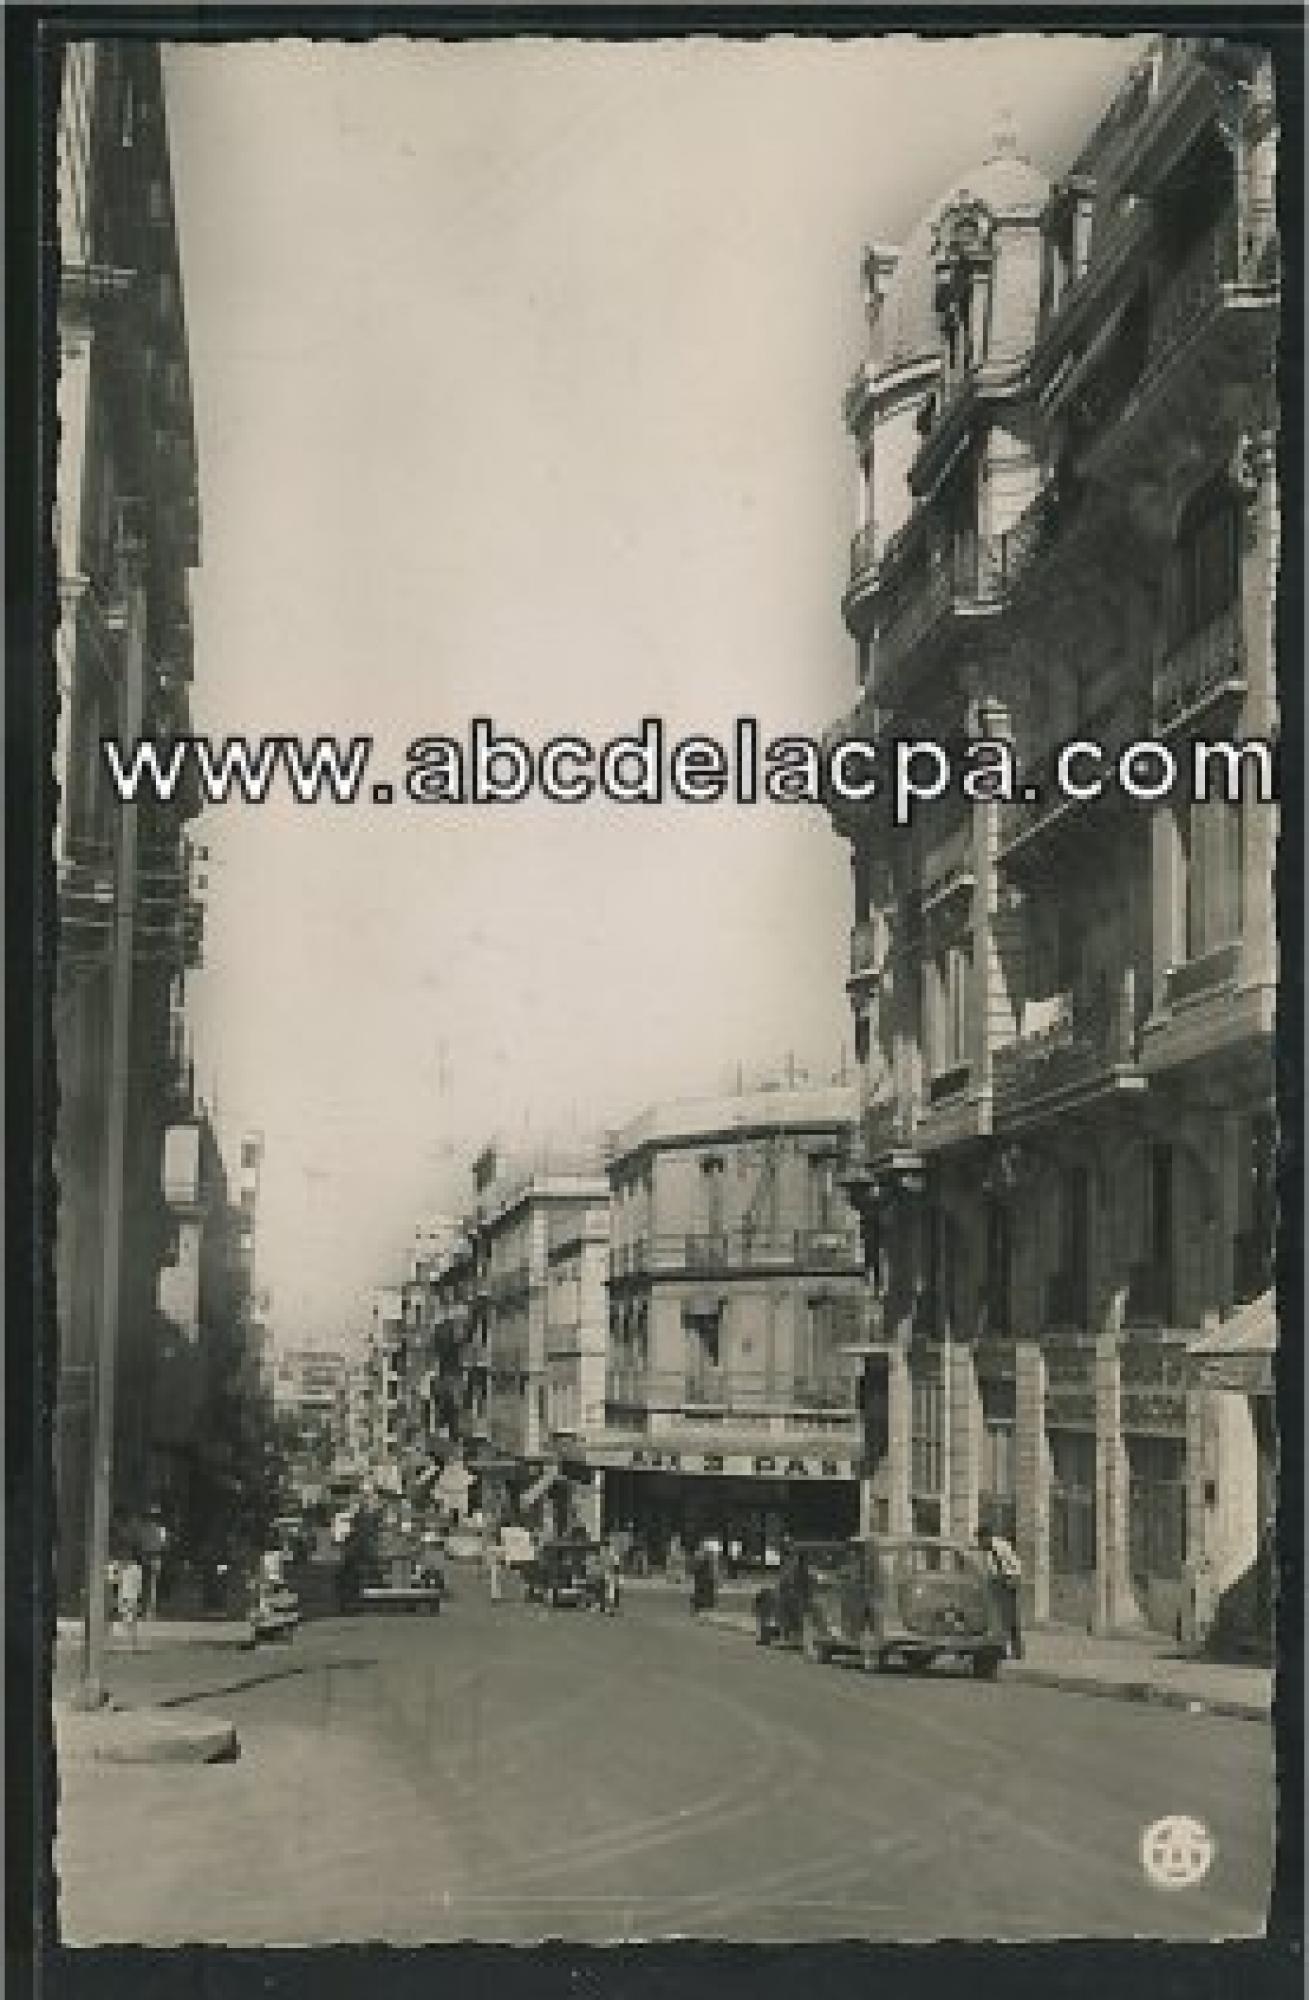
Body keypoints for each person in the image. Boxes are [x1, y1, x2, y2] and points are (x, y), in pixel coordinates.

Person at [978, 1523, 1024, 1659]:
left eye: (982, 1539)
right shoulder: (984, 1551)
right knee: (998, 1617)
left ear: (988, 1537)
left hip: (1007, 1580)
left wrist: (1013, 1578)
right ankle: (1003, 1649)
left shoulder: (1003, 1546)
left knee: (1011, 1616)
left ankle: (1017, 1649)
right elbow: (988, 1569)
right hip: (994, 1582)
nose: (981, 1543)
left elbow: (1016, 1563)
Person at [118, 1553, 143, 1649]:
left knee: (130, 1619)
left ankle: (133, 1640)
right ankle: (132, 1640)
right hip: (130, 1596)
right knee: (130, 1619)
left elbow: (124, 1584)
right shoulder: (131, 1570)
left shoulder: (130, 1570)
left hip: (129, 1596)